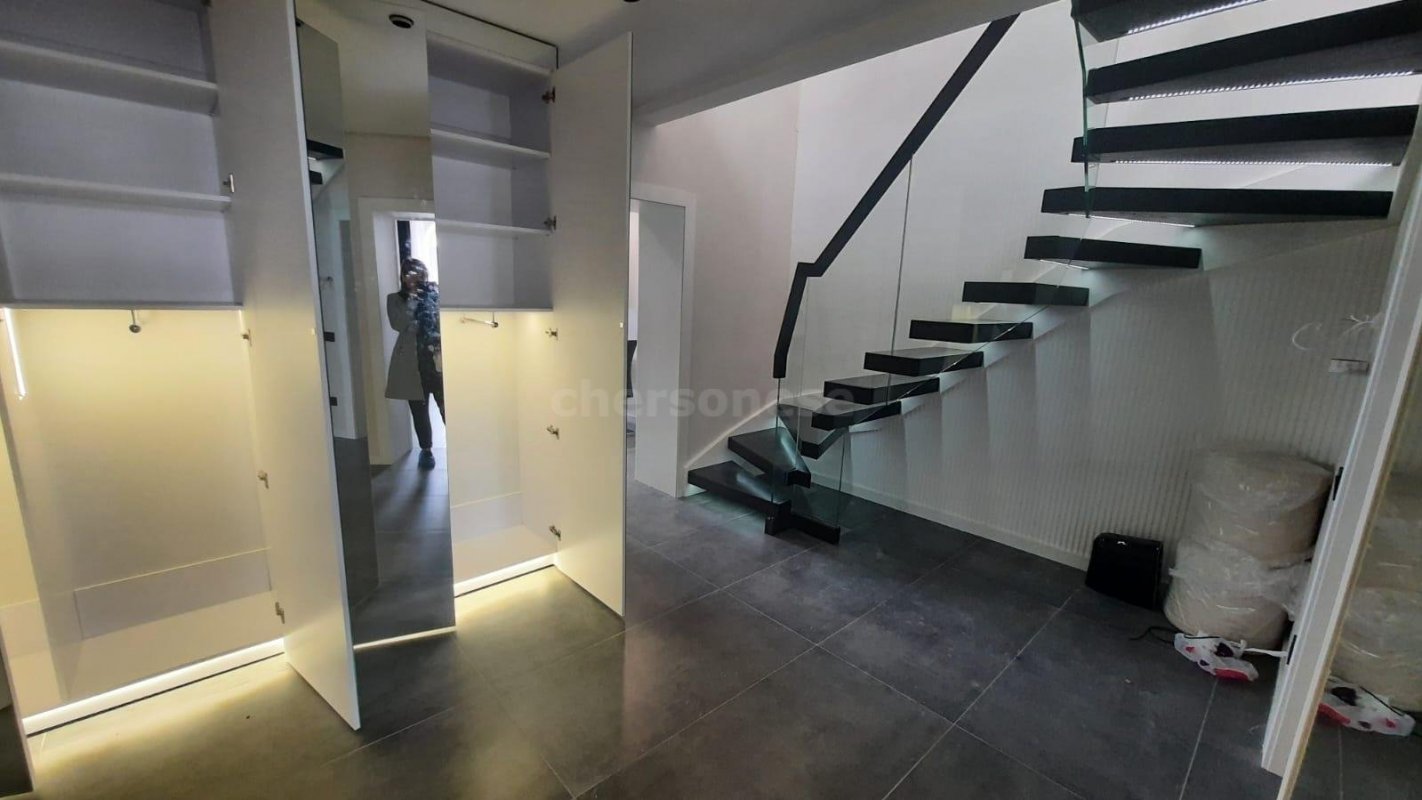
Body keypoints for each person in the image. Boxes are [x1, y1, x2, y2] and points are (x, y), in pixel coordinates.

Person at [385, 258, 443, 469]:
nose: (414, 278)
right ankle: (426, 450)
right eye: (409, 274)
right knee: (419, 411)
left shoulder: (435, 293)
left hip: (436, 362)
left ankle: (459, 447)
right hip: (411, 364)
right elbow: (399, 323)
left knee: (448, 406)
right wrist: (411, 300)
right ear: (402, 277)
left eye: (418, 274)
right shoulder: (395, 299)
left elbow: (441, 321)